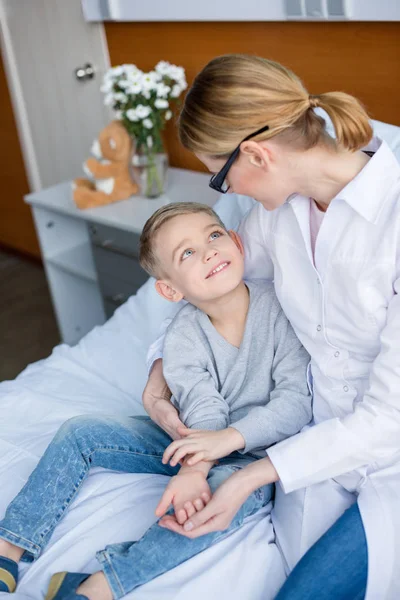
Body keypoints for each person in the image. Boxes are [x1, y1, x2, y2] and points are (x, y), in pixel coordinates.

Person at [143, 54, 400, 599]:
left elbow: (388, 419)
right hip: (313, 431)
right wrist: (159, 375)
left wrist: (249, 476)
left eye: (220, 175)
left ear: (256, 153)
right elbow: (212, 293)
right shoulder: (275, 216)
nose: (226, 194)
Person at [0, 201, 312, 599]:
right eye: (188, 253)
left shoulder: (280, 307)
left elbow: (295, 401)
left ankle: (101, 584)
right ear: (170, 290)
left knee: (215, 507)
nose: (209, 251)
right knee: (81, 433)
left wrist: (209, 461)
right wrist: (193, 466)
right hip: (191, 438)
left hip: (255, 455)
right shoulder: (182, 335)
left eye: (214, 236)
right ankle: (11, 542)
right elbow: (203, 406)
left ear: (236, 241)